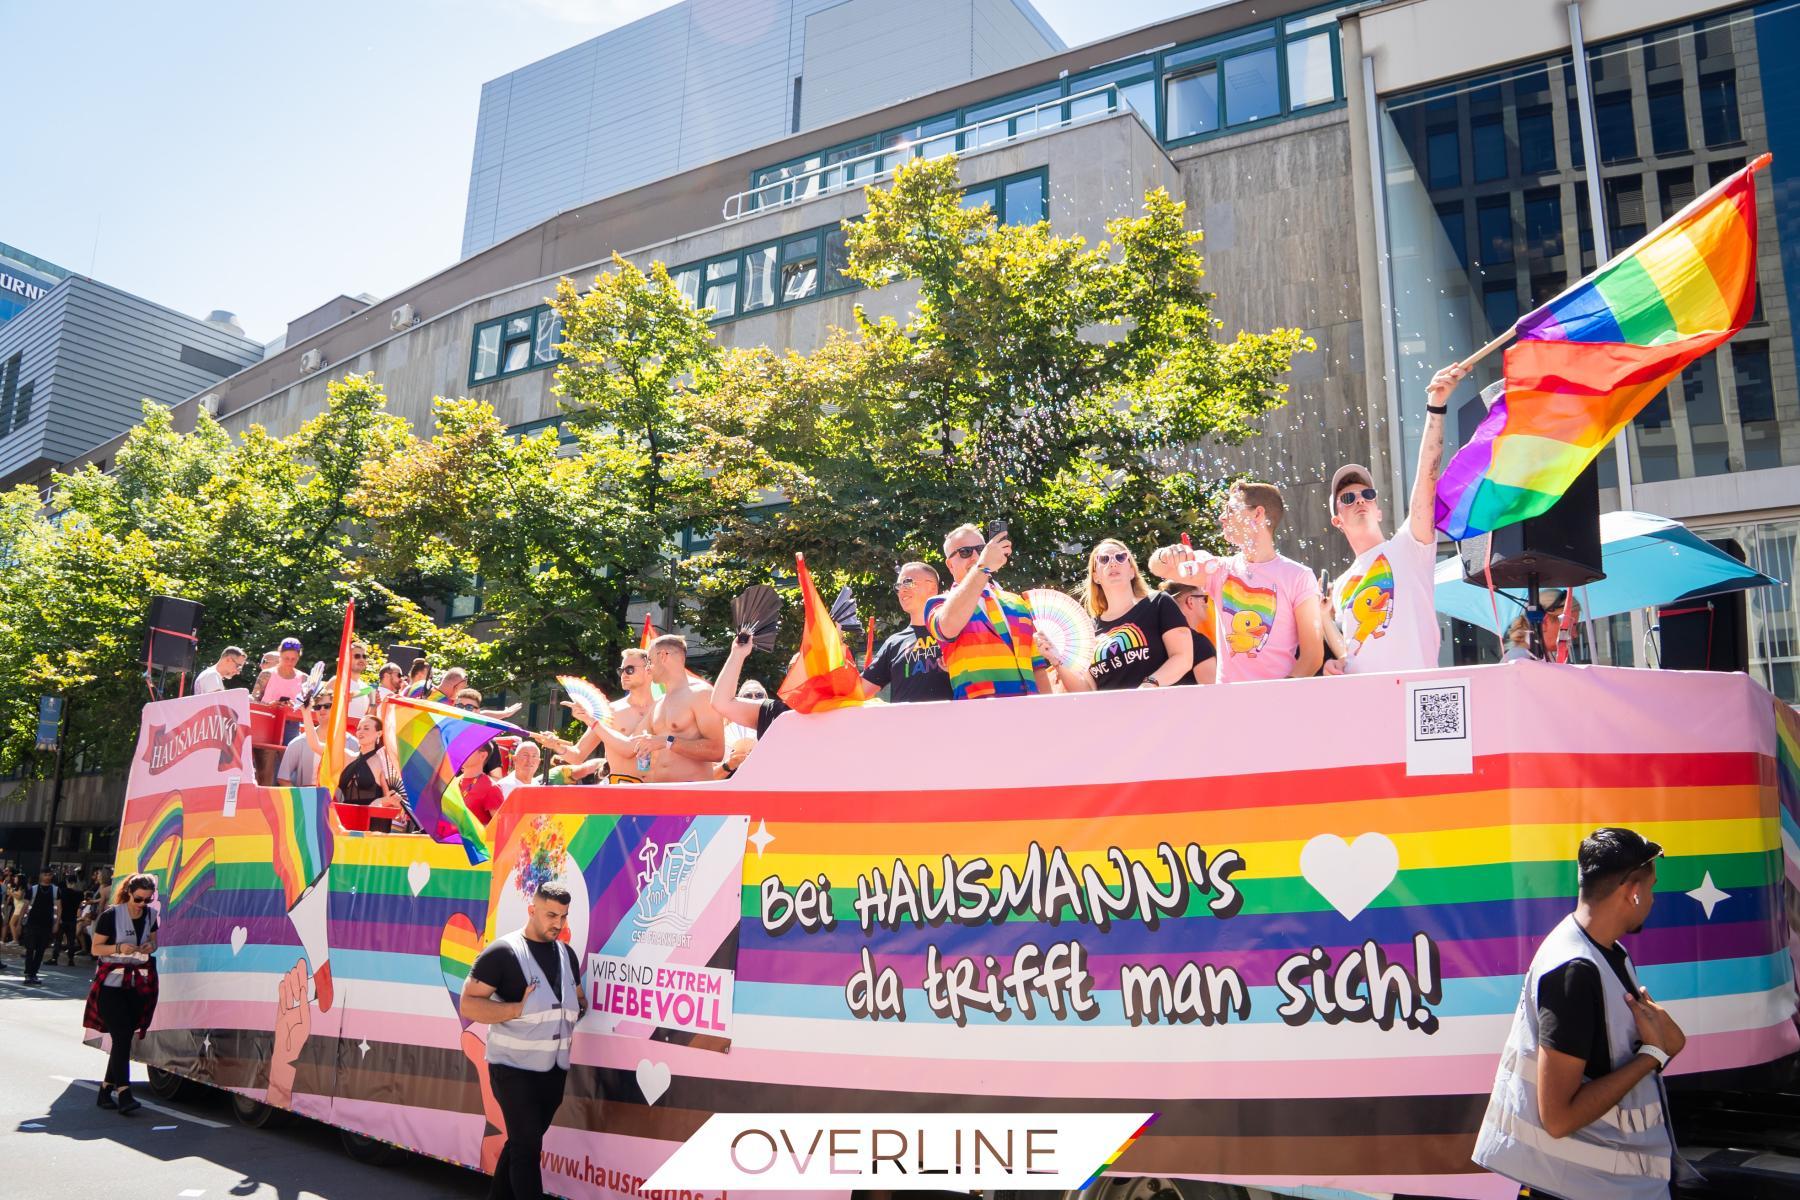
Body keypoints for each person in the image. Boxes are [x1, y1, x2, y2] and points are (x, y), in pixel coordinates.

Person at [1474, 828, 1688, 1198]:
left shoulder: (1609, 952)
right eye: (1651, 887)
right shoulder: (1573, 971)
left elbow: (1624, 1055)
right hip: (1580, 1186)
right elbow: (1558, 1119)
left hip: (1605, 1184)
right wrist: (1652, 1054)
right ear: (1631, 892)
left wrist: (1660, 1044)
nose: (1653, 898)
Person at [1321, 363, 1461, 676]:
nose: (1359, 500)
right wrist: (1338, 663)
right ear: (1337, 521)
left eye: (1367, 495)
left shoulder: (1408, 546)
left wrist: (1435, 407)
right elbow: (1353, 649)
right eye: (1347, 498)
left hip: (1416, 698)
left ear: (1379, 509)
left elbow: (1427, 477)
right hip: (1369, 706)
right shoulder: (1342, 585)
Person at [461, 882, 585, 1200]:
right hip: (512, 1069)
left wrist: (574, 1009)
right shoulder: (503, 953)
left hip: (553, 1071)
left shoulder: (566, 954)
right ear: (532, 910)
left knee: (521, 1144)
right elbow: (470, 1004)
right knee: (528, 1148)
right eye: (550, 915)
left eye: (563, 916)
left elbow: (577, 998)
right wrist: (515, 1009)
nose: (558, 923)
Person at [1147, 482, 1324, 683]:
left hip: (1278, 701)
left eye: (1230, 510)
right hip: (1229, 702)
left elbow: (1313, 655)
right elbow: (1158, 568)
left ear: (1258, 514)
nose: (1222, 517)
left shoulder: (1298, 576)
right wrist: (1165, 555)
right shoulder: (1220, 569)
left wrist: (1279, 696)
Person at [925, 522, 1053, 700]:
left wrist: (1049, 712)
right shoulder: (939, 603)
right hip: (978, 718)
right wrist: (983, 566)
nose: (976, 556)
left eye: (980, 549)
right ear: (950, 565)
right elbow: (948, 627)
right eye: (965, 552)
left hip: (1028, 716)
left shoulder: (1017, 603)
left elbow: (1037, 668)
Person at [1048, 540, 1193, 692]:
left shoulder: (1158, 603)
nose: (1113, 563)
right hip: (1110, 714)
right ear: (1095, 576)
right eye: (1104, 559)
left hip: (1161, 710)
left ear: (1132, 571)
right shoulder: (1086, 631)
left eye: (1121, 557)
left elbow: (1182, 658)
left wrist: (1149, 684)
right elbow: (1087, 691)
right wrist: (1058, 661)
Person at [86, 873, 161, 1114]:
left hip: (137, 984)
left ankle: (105, 1089)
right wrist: (119, 947)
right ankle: (124, 1092)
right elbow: (95, 948)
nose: (143, 905)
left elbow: (154, 942)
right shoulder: (111, 915)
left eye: (148, 900)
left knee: (124, 1037)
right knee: (120, 1036)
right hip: (111, 985)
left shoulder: (151, 915)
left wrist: (150, 946)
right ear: (129, 892)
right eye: (139, 899)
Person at [535, 650, 656, 785]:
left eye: (630, 669)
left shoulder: (663, 708)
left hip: (658, 790)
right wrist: (555, 745)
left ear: (649, 670)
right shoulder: (611, 711)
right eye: (621, 670)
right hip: (620, 790)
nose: (623, 675)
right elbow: (578, 755)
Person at [862, 562, 952, 704]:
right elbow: (859, 691)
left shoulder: (955, 630)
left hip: (954, 723)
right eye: (898, 586)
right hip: (904, 725)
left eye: (908, 582)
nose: (901, 590)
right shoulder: (894, 643)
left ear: (932, 588)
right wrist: (837, 649)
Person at [640, 635, 726, 782]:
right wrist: (594, 722)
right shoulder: (659, 701)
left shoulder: (701, 693)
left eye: (649, 661)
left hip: (691, 795)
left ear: (663, 656)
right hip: (659, 794)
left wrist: (668, 741)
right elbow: (630, 743)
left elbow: (716, 751)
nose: (647, 668)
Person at [715, 636, 793, 740]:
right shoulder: (777, 711)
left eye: (759, 695)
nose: (754, 698)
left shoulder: (822, 712)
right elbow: (721, 702)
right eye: (747, 696)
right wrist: (738, 654)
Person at [1159, 582, 1218, 684]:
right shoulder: (1198, 643)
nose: (1207, 605)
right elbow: (1213, 693)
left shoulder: (1157, 641)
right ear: (1190, 601)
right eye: (1204, 598)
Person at [279, 693, 339, 786]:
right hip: (308, 798)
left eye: (327, 706)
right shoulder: (298, 742)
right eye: (317, 707)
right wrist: (301, 799)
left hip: (338, 799)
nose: (322, 709)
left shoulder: (351, 742)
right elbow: (283, 778)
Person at [19, 866, 60, 984]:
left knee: (41, 950)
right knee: (30, 949)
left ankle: (34, 973)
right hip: (32, 923)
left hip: (46, 924)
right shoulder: (33, 889)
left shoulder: (56, 890)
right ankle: (28, 973)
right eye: (45, 874)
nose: (48, 876)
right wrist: (20, 922)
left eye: (50, 874)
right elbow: (25, 906)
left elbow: (59, 908)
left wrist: (56, 923)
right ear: (41, 875)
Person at [254, 638, 308, 709]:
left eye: (293, 659)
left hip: (293, 719)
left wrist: (295, 707)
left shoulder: (304, 678)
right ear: (280, 655)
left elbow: (308, 707)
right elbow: (254, 700)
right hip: (267, 717)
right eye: (286, 658)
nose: (289, 662)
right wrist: (268, 705)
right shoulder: (267, 674)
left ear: (298, 658)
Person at [57, 871, 84, 965]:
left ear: (67, 882)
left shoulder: (63, 892)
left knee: (58, 939)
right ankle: (71, 959)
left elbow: (60, 905)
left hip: (63, 917)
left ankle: (54, 958)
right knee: (71, 940)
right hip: (72, 918)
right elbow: (80, 905)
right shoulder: (80, 894)